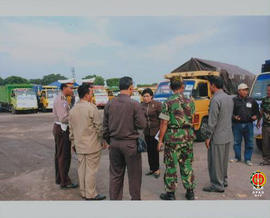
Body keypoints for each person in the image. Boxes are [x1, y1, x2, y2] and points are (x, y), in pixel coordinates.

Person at [103, 76, 146, 200]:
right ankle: (135, 201)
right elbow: (142, 124)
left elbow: (105, 127)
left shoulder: (110, 103)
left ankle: (115, 203)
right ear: (131, 87)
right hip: (130, 145)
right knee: (134, 176)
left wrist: (110, 140)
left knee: (116, 175)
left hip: (115, 144)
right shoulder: (134, 104)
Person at [158, 77, 196, 200]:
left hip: (173, 138)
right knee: (187, 164)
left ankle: (170, 194)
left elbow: (164, 123)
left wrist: (160, 140)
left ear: (170, 87)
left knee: (171, 165)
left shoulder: (167, 102)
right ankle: (190, 192)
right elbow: (192, 118)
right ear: (183, 87)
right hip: (188, 136)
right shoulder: (190, 101)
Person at [69, 84, 106, 200]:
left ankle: (83, 192)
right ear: (86, 95)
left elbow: (71, 129)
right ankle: (91, 194)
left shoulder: (73, 110)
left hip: (79, 144)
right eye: (91, 93)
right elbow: (99, 127)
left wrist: (73, 143)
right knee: (91, 170)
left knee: (81, 169)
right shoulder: (91, 108)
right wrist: (102, 140)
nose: (92, 95)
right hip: (92, 145)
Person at [203, 76, 234, 193]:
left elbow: (212, 121)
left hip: (217, 136)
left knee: (215, 162)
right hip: (227, 134)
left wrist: (207, 137)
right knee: (223, 161)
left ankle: (217, 185)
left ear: (213, 85)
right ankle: (223, 180)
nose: (209, 87)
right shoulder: (228, 97)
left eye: (209, 84)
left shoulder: (215, 100)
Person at [53, 81, 78, 189]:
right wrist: (75, 117)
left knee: (59, 155)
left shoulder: (62, 98)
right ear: (64, 88)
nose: (72, 90)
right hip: (62, 129)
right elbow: (63, 118)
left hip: (60, 129)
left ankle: (60, 178)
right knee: (64, 156)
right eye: (70, 88)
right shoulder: (61, 101)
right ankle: (65, 181)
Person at [231, 83, 260, 166]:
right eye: (243, 90)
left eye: (246, 90)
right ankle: (237, 157)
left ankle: (247, 159)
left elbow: (257, 112)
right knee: (237, 142)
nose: (245, 91)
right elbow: (230, 112)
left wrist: (256, 116)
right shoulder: (234, 100)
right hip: (237, 125)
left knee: (249, 142)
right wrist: (234, 117)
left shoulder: (252, 100)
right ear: (239, 91)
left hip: (249, 124)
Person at [141, 88, 162, 178]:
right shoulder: (141, 106)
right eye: (144, 96)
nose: (145, 98)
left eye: (147, 96)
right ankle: (152, 168)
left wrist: (162, 132)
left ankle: (156, 169)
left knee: (155, 150)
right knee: (149, 151)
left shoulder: (157, 105)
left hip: (156, 132)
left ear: (151, 96)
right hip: (146, 132)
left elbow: (163, 118)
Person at [257, 84, 270, 165]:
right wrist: (258, 121)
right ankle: (266, 160)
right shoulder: (264, 100)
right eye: (267, 90)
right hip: (265, 126)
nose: (268, 92)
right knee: (265, 143)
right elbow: (261, 111)